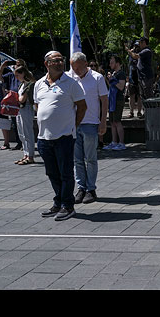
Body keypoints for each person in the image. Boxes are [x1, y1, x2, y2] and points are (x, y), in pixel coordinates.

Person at [33, 51, 87, 221]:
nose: (59, 63)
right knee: (52, 173)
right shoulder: (38, 84)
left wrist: (74, 125)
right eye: (55, 60)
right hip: (43, 138)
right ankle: (59, 201)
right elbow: (37, 105)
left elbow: (82, 107)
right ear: (46, 63)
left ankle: (67, 206)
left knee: (66, 173)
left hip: (64, 136)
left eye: (61, 60)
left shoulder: (71, 84)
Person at [67, 52, 108, 205]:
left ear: (85, 64)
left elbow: (104, 101)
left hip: (91, 122)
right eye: (72, 67)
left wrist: (103, 122)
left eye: (78, 67)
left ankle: (91, 189)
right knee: (77, 159)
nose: (75, 71)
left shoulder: (97, 78)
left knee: (90, 158)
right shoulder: (69, 77)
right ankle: (81, 188)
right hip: (73, 124)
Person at [0, 59, 26, 151]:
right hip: (13, 102)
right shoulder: (11, 75)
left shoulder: (25, 75)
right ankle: (19, 142)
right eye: (16, 65)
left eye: (19, 65)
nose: (16, 66)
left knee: (23, 124)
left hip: (22, 102)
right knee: (15, 123)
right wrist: (2, 67)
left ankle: (25, 144)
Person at [13, 65, 37, 165]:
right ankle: (25, 154)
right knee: (21, 133)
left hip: (26, 108)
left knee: (28, 133)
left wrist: (16, 98)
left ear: (23, 73)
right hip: (20, 109)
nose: (16, 77)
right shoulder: (22, 84)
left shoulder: (29, 84)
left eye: (18, 75)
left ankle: (30, 156)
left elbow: (22, 99)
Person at [106, 55, 127, 151]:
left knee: (117, 121)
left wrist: (113, 80)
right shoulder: (114, 73)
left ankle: (121, 142)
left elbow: (121, 87)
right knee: (112, 121)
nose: (110, 64)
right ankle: (114, 141)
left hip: (118, 99)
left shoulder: (121, 74)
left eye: (112, 62)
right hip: (112, 100)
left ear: (117, 63)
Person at [126, 37, 154, 108]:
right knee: (142, 95)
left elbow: (135, 56)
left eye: (140, 43)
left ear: (144, 42)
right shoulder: (142, 51)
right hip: (141, 77)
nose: (139, 45)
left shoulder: (147, 51)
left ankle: (151, 111)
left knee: (148, 95)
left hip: (146, 77)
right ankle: (146, 112)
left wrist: (128, 51)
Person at [127, 50, 142, 118]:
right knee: (131, 97)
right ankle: (131, 112)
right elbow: (130, 54)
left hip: (139, 79)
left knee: (139, 97)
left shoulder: (140, 55)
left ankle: (139, 112)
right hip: (132, 80)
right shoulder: (130, 58)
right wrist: (131, 51)